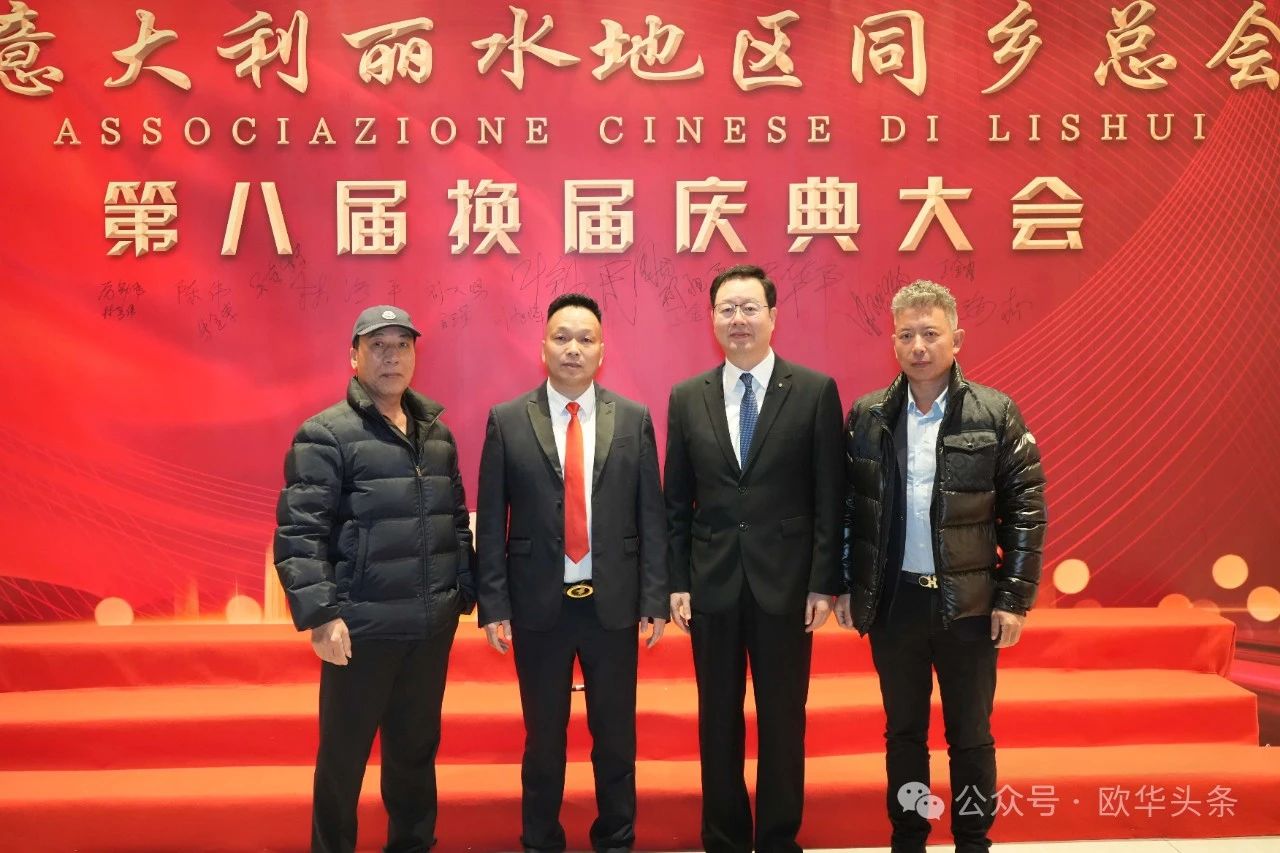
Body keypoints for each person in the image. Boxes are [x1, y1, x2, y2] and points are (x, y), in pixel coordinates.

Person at [836, 280, 1047, 853]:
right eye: (906, 335)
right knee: (904, 734)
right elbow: (851, 509)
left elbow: (1026, 511)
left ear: (957, 339)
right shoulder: (869, 416)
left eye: (931, 333)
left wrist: (1013, 599)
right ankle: (909, 837)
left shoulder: (995, 412)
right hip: (896, 603)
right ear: (893, 343)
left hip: (969, 606)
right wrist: (848, 585)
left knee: (970, 736)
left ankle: (973, 840)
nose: (919, 346)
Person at [273, 305, 475, 853]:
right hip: (359, 631)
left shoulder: (437, 434)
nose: (392, 356)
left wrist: (463, 591)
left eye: (402, 345)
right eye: (378, 345)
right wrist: (321, 617)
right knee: (344, 761)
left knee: (415, 756)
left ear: (415, 355)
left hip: (429, 629)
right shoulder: (324, 434)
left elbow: (455, 520)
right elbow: (300, 533)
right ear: (354, 356)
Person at [475, 292, 668, 853]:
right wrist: (494, 604)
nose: (573, 349)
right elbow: (492, 518)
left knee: (616, 738)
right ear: (543, 347)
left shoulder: (632, 418)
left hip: (613, 605)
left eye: (585, 339)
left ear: (602, 351)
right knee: (543, 741)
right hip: (538, 607)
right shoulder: (508, 420)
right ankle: (541, 840)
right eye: (562, 338)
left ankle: (616, 840)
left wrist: (653, 598)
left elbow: (650, 516)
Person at [664, 264, 844, 853]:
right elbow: (676, 501)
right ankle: (723, 838)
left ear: (772, 317)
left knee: (783, 719)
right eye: (727, 309)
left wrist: (823, 581)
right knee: (717, 719)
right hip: (711, 583)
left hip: (787, 585)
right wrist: (677, 581)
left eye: (749, 308)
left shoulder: (814, 391)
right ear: (712, 319)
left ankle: (777, 838)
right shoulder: (687, 397)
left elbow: (830, 496)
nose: (738, 319)